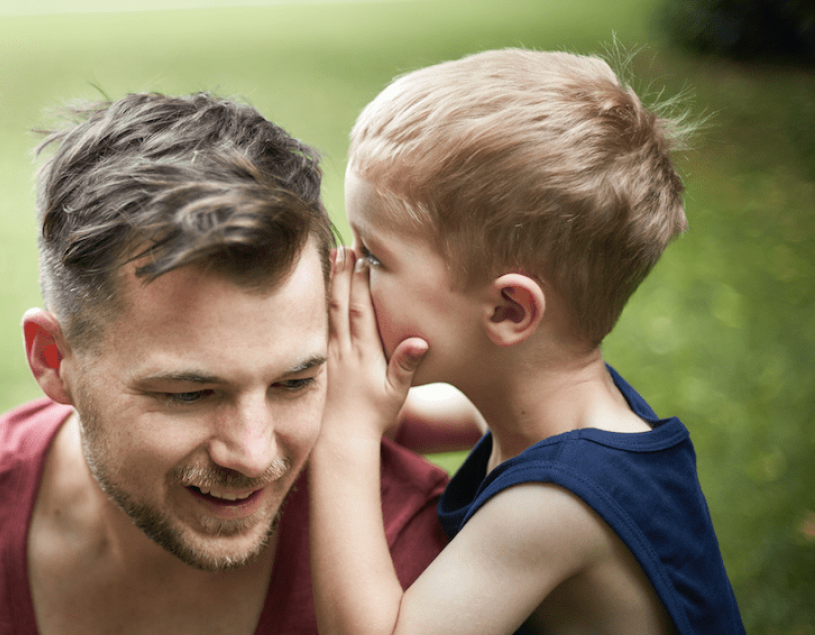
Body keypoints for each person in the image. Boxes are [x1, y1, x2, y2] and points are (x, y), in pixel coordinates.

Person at [0, 91, 464, 635]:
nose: (253, 452)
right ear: (54, 360)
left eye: (296, 380)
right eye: (189, 393)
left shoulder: (420, 566)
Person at [310, 48, 746, 635]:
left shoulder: (554, 506)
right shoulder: (554, 406)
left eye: (373, 256)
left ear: (509, 310)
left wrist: (346, 434)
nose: (348, 274)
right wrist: (367, 406)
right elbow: (424, 417)